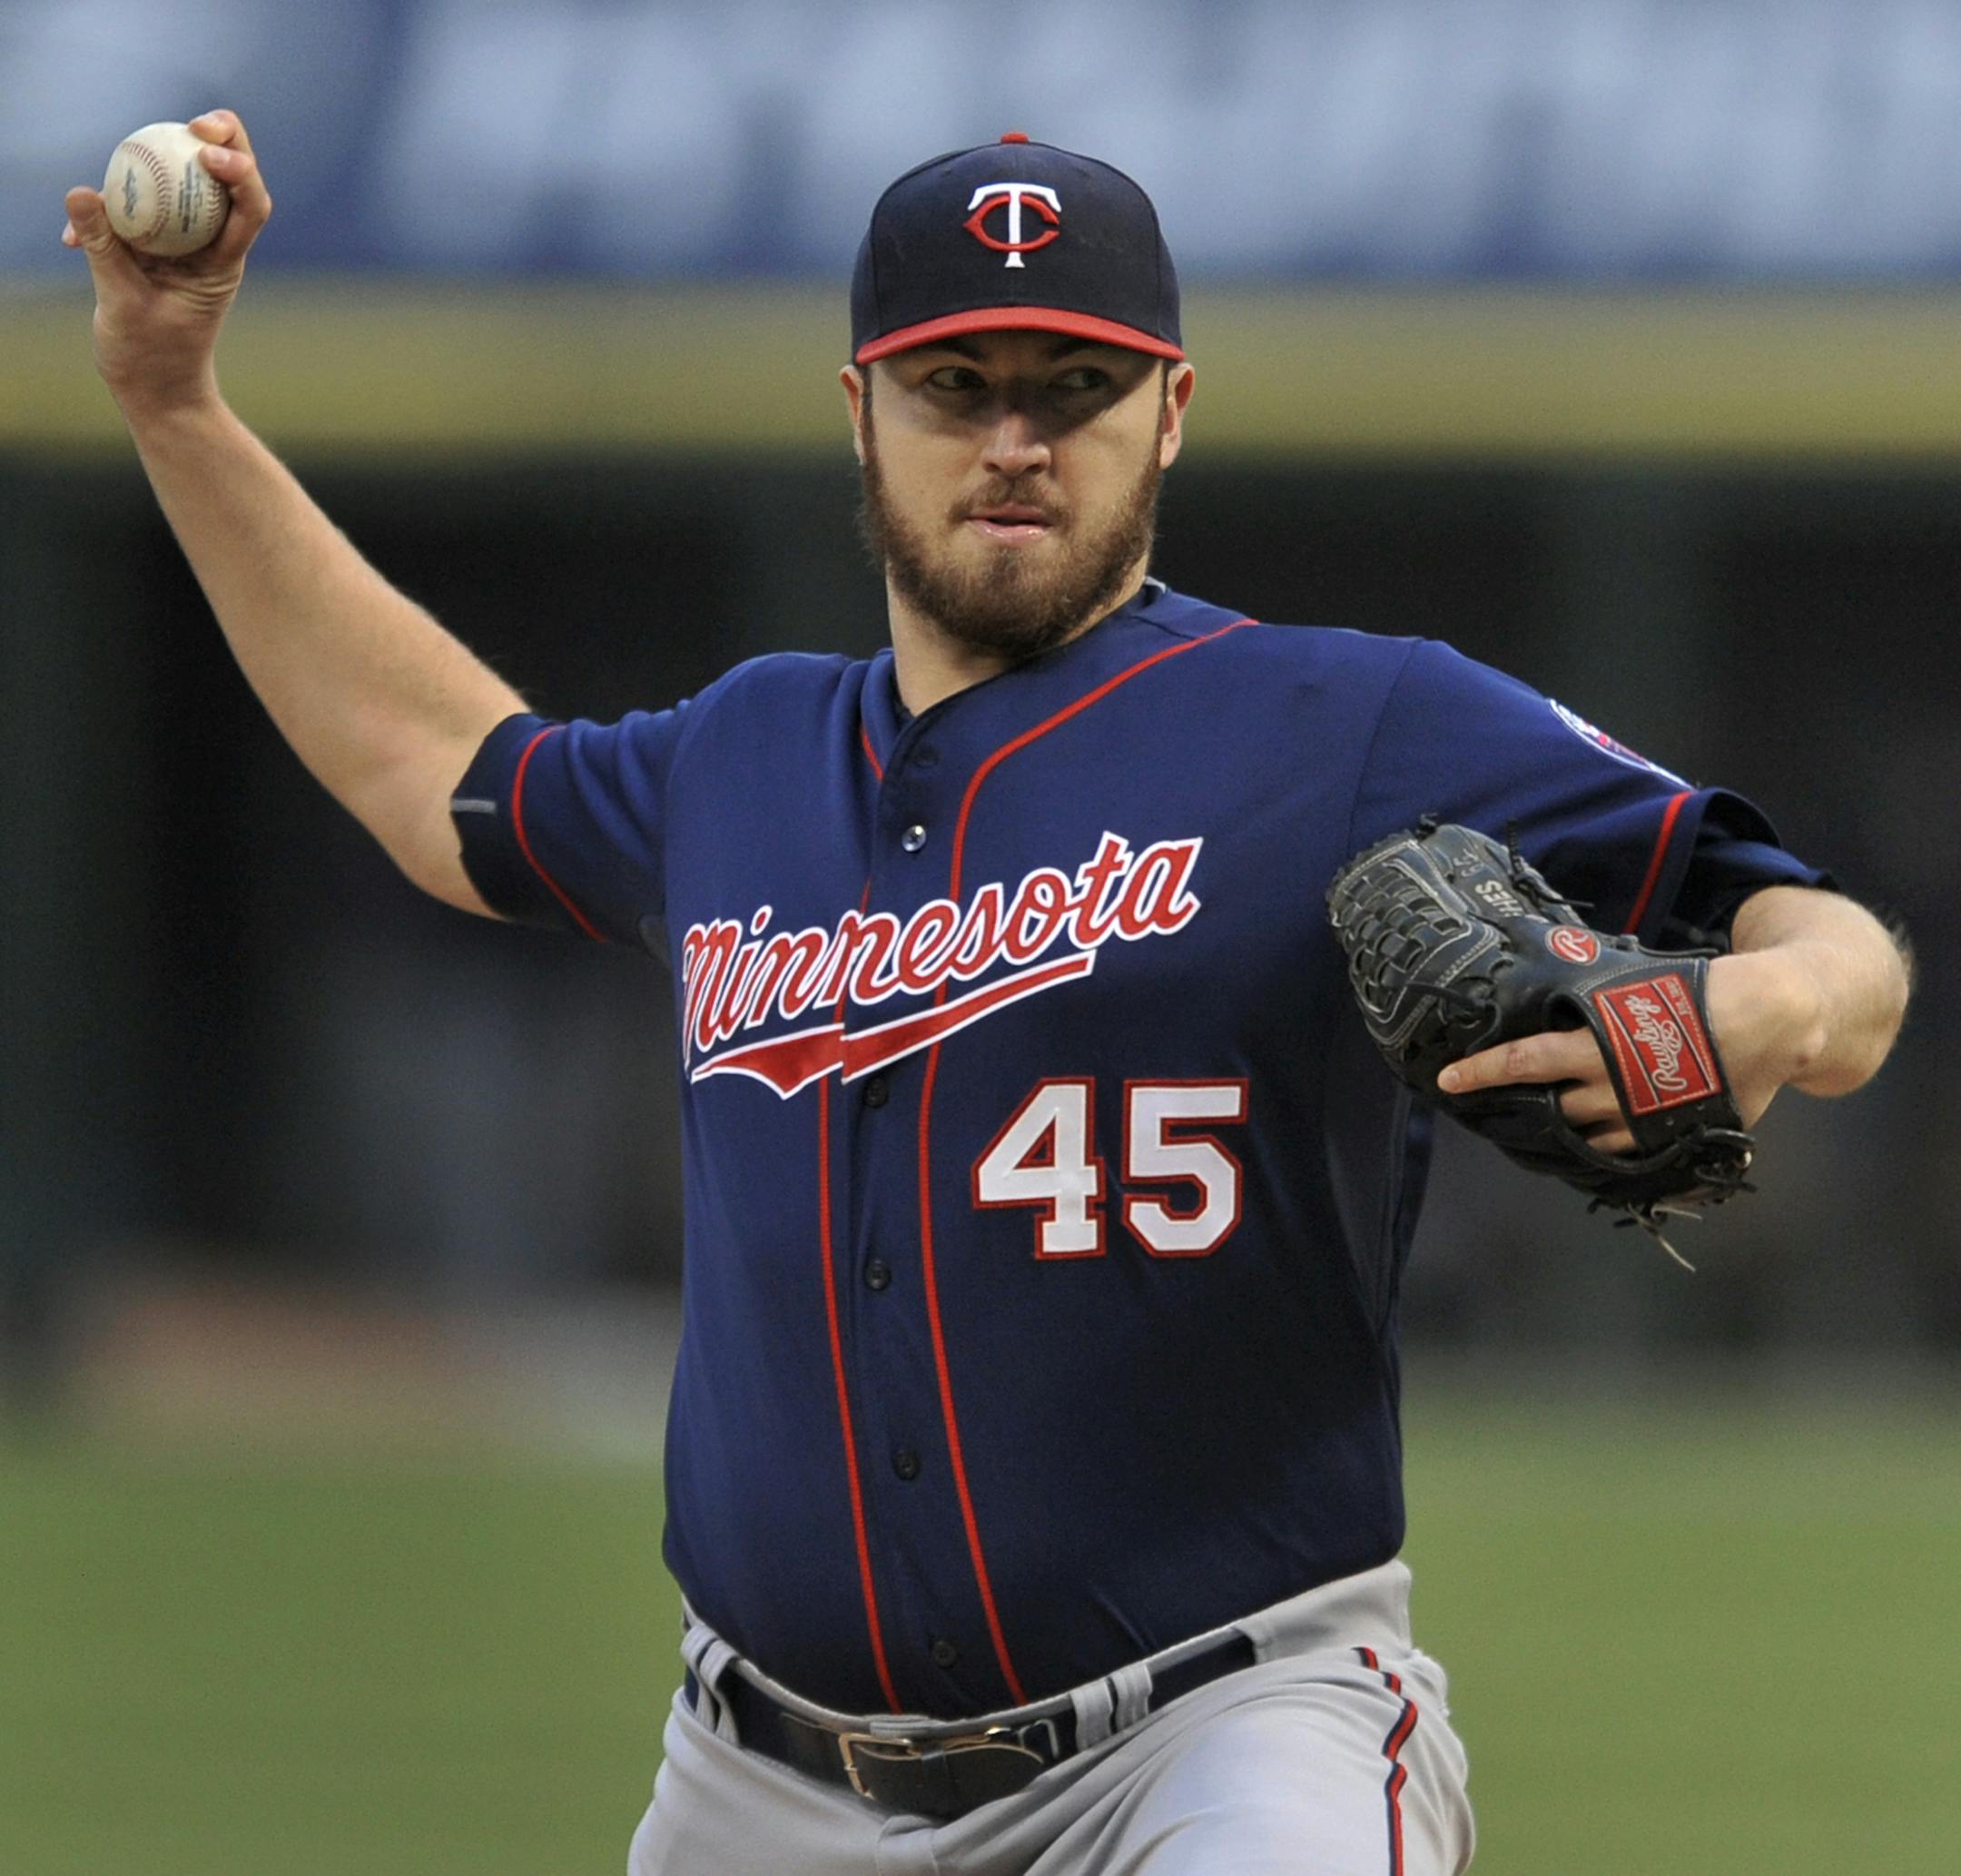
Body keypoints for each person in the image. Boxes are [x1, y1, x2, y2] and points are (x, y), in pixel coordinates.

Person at [64, 117, 1910, 1876]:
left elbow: (1838, 956)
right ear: (855, 410)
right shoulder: (737, 756)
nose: (1014, 440)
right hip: (762, 1775)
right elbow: (433, 772)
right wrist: (174, 401)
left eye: (1075, 389)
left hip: (1222, 1729)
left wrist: (1725, 1023)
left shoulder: (1347, 720)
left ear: (1171, 415)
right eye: (957, 387)